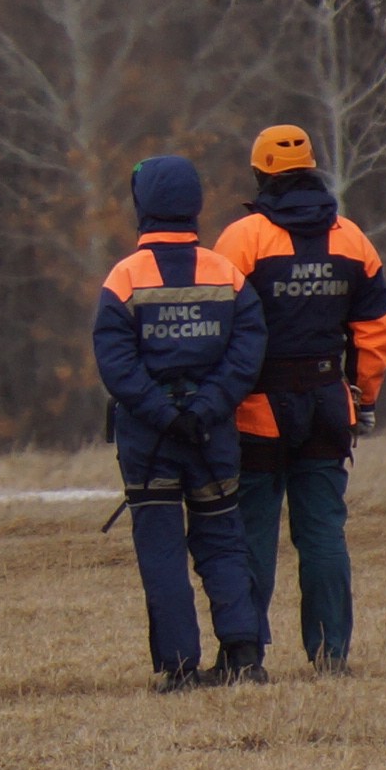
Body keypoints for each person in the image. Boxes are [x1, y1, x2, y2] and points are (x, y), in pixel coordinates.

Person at [213, 126, 386, 673]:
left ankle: (245, 655)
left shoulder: (242, 239)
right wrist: (364, 399)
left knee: (252, 532)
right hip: (328, 402)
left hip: (257, 406)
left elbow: (218, 325)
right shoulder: (352, 239)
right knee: (322, 532)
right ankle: (330, 654)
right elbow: (376, 330)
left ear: (260, 174)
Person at [96, 155, 269, 690]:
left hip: (150, 440)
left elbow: (116, 362)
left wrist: (164, 415)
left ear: (142, 205)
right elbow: (247, 352)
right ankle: (244, 654)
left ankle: (177, 667)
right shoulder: (228, 274)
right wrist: (204, 409)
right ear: (194, 206)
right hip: (213, 433)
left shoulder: (124, 278)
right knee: (222, 538)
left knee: (162, 550)